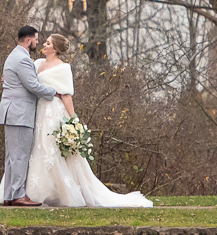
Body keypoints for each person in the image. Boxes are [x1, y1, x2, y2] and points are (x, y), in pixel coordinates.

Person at [23, 33, 153, 208]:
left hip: (54, 110)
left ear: (55, 49)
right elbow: (26, 79)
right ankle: (42, 191)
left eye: (47, 43)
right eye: (45, 42)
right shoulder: (37, 64)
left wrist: (73, 120)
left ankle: (65, 192)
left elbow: (66, 95)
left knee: (52, 148)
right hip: (39, 110)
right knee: (40, 148)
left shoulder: (63, 68)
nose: (44, 45)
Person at [0, 26, 58, 206]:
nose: (38, 43)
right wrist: (54, 92)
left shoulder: (14, 56)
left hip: (13, 112)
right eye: (36, 39)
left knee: (13, 156)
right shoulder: (22, 59)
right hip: (19, 112)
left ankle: (9, 195)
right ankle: (18, 195)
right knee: (19, 156)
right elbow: (33, 86)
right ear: (28, 40)